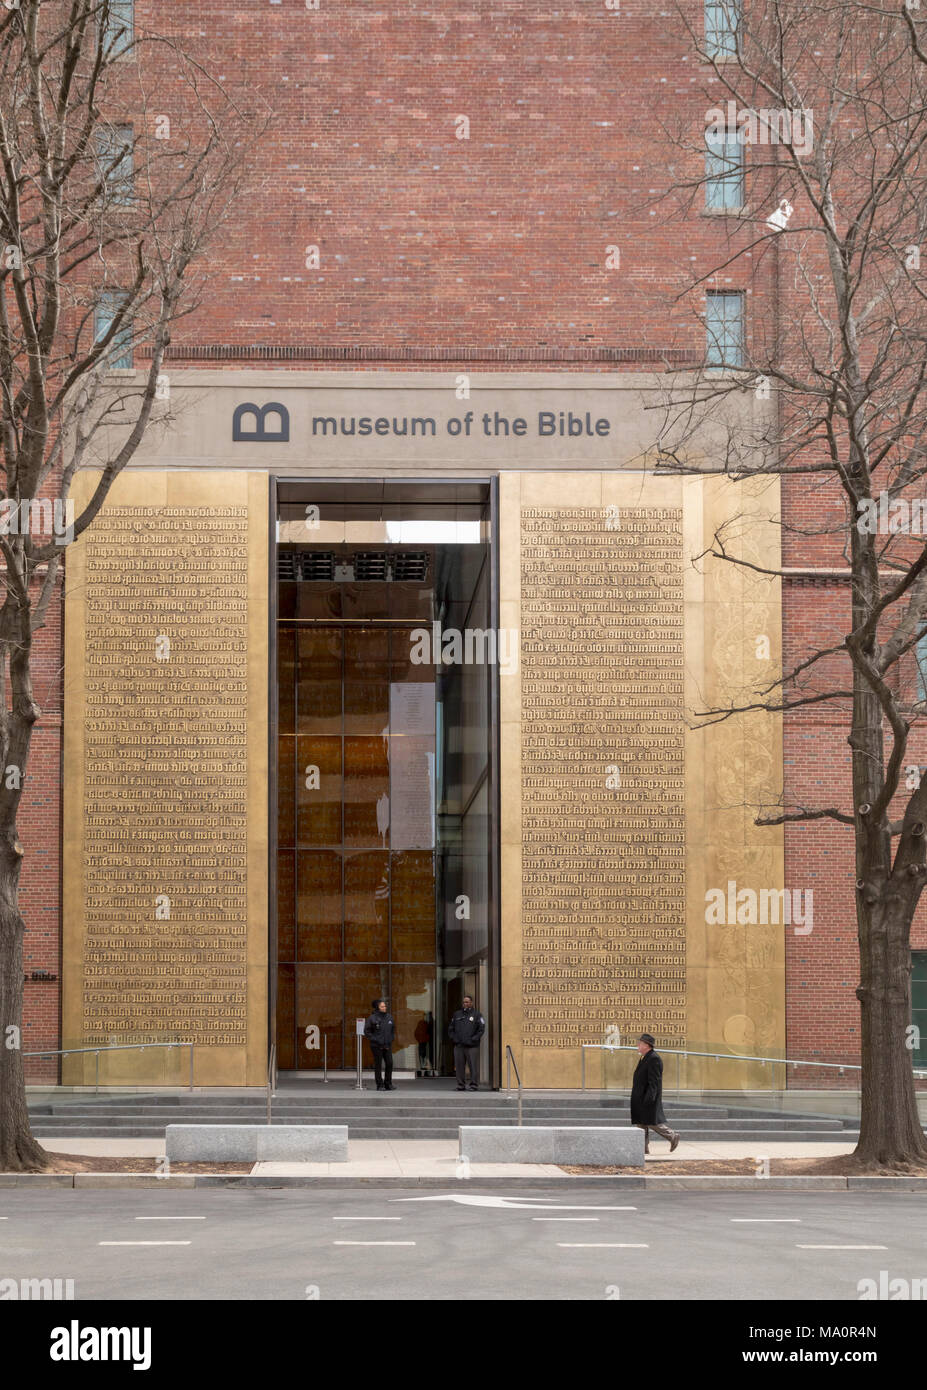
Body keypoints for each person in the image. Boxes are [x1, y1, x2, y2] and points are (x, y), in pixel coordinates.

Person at [630, 1033, 680, 1153]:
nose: (638, 1045)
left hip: (647, 1099)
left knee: (651, 1122)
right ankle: (643, 1149)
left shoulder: (654, 1058)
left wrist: (649, 1099)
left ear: (647, 1045)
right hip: (640, 1097)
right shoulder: (644, 1057)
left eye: (640, 1043)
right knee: (641, 1123)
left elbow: (654, 1082)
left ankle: (672, 1136)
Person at [448, 995, 485, 1091]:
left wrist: (473, 1039)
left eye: (467, 1002)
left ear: (471, 1003)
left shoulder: (477, 1014)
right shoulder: (457, 1014)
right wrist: (455, 1039)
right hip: (459, 1046)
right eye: (464, 1002)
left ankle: (473, 1085)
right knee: (459, 1067)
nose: (465, 1003)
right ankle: (461, 1085)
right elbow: (451, 1029)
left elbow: (481, 1029)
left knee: (473, 1066)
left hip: (472, 1046)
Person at [364, 998, 396, 1091]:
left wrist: (391, 1038)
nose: (384, 1007)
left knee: (389, 1063)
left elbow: (393, 1030)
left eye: (385, 1006)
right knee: (378, 1065)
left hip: (387, 1045)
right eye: (382, 1006)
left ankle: (388, 1084)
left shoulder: (389, 1017)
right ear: (377, 1008)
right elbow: (367, 1031)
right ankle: (380, 1085)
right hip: (376, 1046)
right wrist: (376, 1039)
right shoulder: (372, 1018)